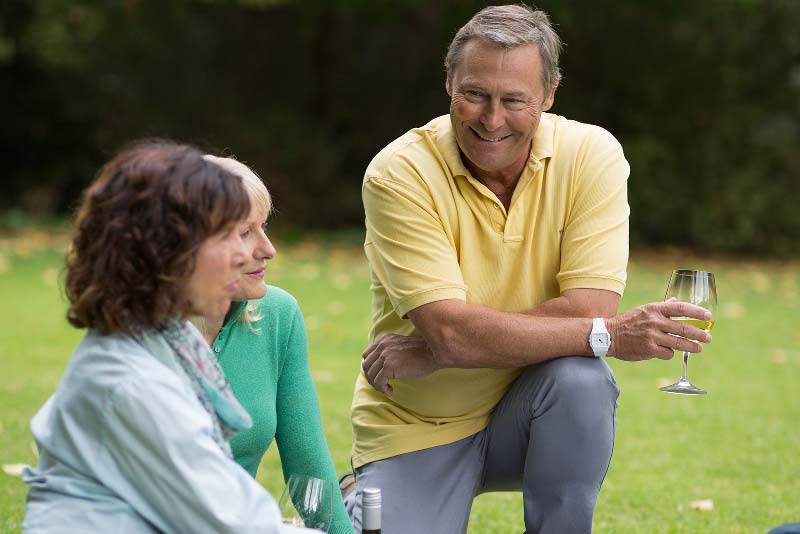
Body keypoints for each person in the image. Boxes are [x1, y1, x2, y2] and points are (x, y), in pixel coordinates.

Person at [344, 5, 713, 534]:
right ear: (449, 82)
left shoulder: (591, 155)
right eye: (474, 94)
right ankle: (367, 490)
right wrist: (449, 339)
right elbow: (453, 330)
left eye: (514, 99)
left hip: (533, 407)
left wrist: (442, 347)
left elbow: (591, 313)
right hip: (420, 424)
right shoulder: (398, 173)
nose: (491, 120)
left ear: (549, 94)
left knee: (582, 377)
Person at [21, 141, 314, 533]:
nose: (248, 255)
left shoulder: (156, 345)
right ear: (166, 253)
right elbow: (238, 525)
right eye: (230, 235)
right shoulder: (131, 382)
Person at [196, 155, 353, 534]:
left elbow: (309, 468)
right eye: (246, 233)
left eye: (263, 228)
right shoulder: (141, 340)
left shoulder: (277, 315)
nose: (268, 249)